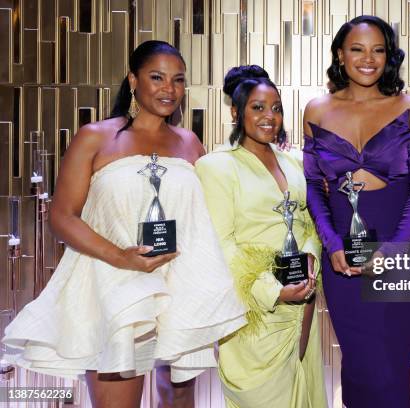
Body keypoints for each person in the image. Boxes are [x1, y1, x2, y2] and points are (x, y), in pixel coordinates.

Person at [2, 40, 246, 408]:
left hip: (179, 288)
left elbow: (203, 220)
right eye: (157, 77)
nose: (169, 89)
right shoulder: (96, 136)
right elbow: (62, 217)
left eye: (178, 80)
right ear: (133, 80)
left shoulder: (189, 143)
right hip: (113, 287)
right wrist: (122, 257)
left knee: (179, 401)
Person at [303, 15, 410, 407]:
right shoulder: (317, 110)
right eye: (357, 49)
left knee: (391, 365)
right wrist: (331, 243)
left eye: (378, 50)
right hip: (343, 254)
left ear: (390, 57)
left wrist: (397, 248)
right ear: (340, 55)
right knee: (359, 364)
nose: (368, 59)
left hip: (399, 245)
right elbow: (313, 186)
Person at [196, 65, 326, 408]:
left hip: (304, 302)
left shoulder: (293, 163)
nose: (270, 117)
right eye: (258, 107)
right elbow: (221, 244)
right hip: (256, 313)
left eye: (277, 108)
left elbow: (309, 223)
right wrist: (272, 291)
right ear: (236, 112)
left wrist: (312, 256)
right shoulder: (215, 166)